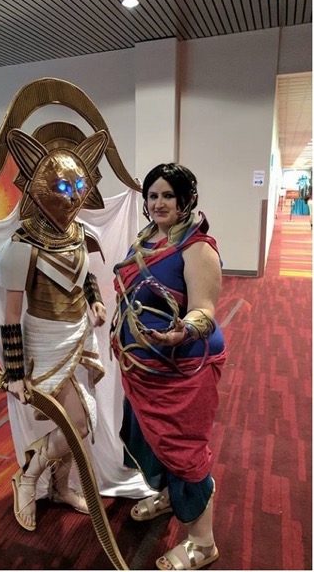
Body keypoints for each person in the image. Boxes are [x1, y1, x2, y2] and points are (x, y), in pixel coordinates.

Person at [110, 163, 226, 570]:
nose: (158, 203)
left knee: (183, 449)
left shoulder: (197, 247)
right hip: (141, 369)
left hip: (180, 371)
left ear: (186, 200)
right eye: (152, 195)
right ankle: (166, 495)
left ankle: (202, 542)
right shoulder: (146, 239)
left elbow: (205, 310)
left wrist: (183, 331)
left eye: (167, 196)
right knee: (151, 441)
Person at [0, 126, 110, 532]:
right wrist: (14, 372)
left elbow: (84, 275)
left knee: (76, 421)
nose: (72, 195)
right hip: (44, 342)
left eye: (79, 185)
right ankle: (29, 472)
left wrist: (95, 299)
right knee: (76, 423)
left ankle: (60, 487)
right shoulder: (22, 244)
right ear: (37, 185)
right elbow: (11, 314)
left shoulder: (80, 233)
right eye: (62, 185)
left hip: (82, 335)